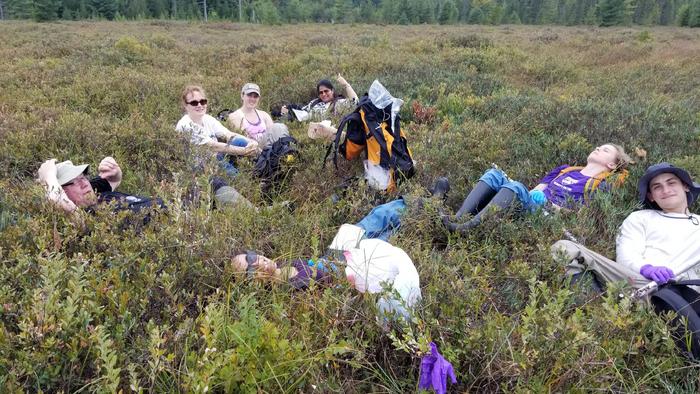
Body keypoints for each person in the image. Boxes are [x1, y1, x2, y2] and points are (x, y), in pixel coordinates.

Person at [552, 162, 700, 289]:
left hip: (685, 292)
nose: (666, 190)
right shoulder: (640, 218)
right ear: (651, 197)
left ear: (685, 186)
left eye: (671, 183)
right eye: (657, 187)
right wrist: (647, 269)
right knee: (565, 248)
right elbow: (626, 255)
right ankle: (592, 310)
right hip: (638, 283)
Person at [442, 143, 632, 234]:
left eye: (605, 150)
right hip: (533, 206)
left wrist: (550, 206)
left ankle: (466, 229)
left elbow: (584, 217)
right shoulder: (564, 170)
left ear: (612, 165)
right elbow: (536, 190)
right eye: (599, 146)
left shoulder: (603, 185)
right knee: (494, 174)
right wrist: (532, 194)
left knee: (516, 187)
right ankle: (458, 219)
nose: (598, 148)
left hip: (550, 219)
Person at [175, 85, 257, 207]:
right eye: (194, 103)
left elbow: (228, 134)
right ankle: (249, 192)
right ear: (186, 106)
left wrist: (250, 142)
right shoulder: (186, 125)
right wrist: (244, 151)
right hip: (200, 167)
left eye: (202, 101)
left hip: (214, 159)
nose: (199, 105)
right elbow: (213, 146)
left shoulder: (207, 119)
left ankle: (263, 169)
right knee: (236, 177)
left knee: (239, 141)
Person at [37, 157, 164, 221]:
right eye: (72, 183)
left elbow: (113, 179)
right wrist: (49, 176)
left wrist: (113, 168)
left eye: (82, 177)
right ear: (60, 191)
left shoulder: (93, 190)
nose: (84, 184)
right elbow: (57, 201)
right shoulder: (83, 217)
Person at [228, 83, 289, 149]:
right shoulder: (235, 116)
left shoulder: (264, 115)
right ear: (242, 96)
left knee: (280, 127)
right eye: (249, 95)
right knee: (278, 127)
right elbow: (241, 138)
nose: (252, 99)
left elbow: (273, 133)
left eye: (255, 96)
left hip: (268, 146)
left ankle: (285, 153)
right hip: (250, 147)